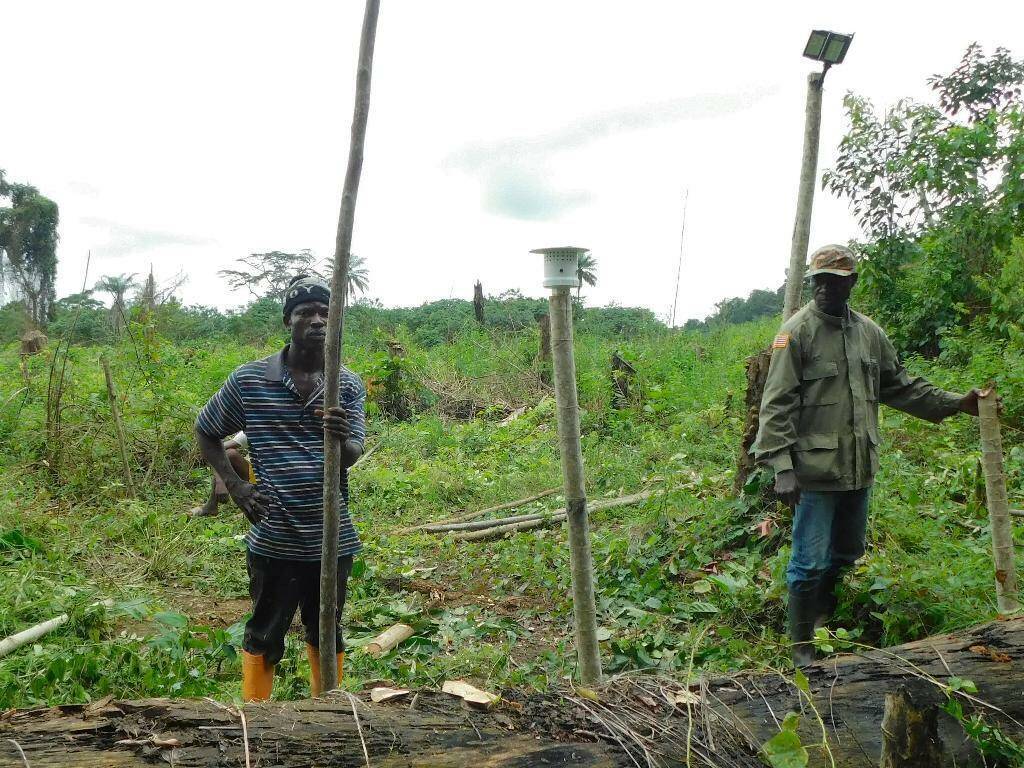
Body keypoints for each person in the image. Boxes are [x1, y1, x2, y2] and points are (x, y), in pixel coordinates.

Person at [752, 244, 995, 667]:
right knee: (807, 562)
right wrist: (782, 467)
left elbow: (898, 386)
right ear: (813, 283)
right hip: (816, 471)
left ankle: (824, 613)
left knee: (847, 552)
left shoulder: (869, 333)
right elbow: (777, 404)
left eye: (836, 281)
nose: (827, 289)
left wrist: (957, 402)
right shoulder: (796, 333)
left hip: (859, 466)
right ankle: (801, 647)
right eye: (820, 282)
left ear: (852, 283)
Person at [195, 275, 366, 700]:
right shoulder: (250, 381)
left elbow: (352, 454)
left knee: (327, 629)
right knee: (264, 632)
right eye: (305, 312)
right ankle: (257, 723)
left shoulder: (346, 384)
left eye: (326, 312)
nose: (317, 320)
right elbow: (206, 430)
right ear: (287, 321)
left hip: (331, 537)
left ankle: (329, 719)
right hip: (274, 536)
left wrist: (342, 436)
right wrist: (235, 487)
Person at [189, 432, 252, 517]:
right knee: (230, 454)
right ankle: (211, 506)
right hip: (257, 475)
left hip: (272, 478)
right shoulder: (255, 429)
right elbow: (217, 450)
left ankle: (253, 508)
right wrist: (220, 480)